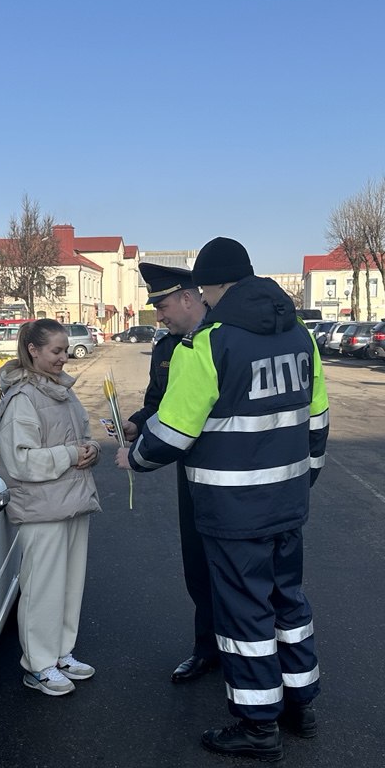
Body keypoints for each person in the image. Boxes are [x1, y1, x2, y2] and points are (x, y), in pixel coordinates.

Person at [117, 237, 329, 761]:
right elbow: (317, 421)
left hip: (234, 511)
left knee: (244, 615)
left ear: (213, 287)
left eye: (205, 291)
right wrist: (301, 480)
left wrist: (134, 458)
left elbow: (172, 432)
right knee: (288, 603)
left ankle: (258, 725)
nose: (205, 300)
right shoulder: (301, 336)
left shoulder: (207, 345)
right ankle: (301, 705)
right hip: (287, 502)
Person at [0, 319, 102, 696]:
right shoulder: (22, 399)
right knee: (42, 590)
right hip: (41, 510)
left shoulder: (61, 391)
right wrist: (72, 454)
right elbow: (19, 460)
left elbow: (82, 435)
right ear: (33, 350)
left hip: (71, 501)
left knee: (69, 586)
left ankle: (60, 653)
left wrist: (92, 448)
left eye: (64, 350)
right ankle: (38, 665)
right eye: (56, 351)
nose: (63, 358)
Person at [123, 263, 218, 683]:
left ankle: (250, 654)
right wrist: (136, 424)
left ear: (188, 297)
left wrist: (138, 458)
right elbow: (159, 404)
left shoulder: (226, 339)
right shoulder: (166, 348)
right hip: (191, 471)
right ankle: (207, 649)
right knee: (197, 566)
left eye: (162, 306)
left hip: (232, 473)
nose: (158, 316)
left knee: (239, 571)